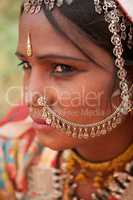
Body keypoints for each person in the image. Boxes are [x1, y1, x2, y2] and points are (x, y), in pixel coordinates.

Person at [0, 0, 133, 199]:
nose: (30, 96)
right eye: (26, 65)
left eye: (63, 68)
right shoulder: (15, 153)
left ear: (128, 76)